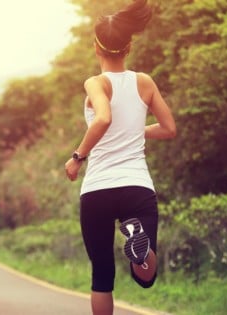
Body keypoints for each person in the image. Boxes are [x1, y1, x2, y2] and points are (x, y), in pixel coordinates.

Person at [64, 1, 176, 314]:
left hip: (98, 189)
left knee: (102, 276)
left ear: (95, 47)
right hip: (136, 188)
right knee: (145, 277)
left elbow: (102, 119)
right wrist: (136, 132)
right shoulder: (145, 82)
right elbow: (169, 129)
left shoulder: (95, 83)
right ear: (128, 46)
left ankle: (138, 247)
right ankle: (139, 248)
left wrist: (77, 157)